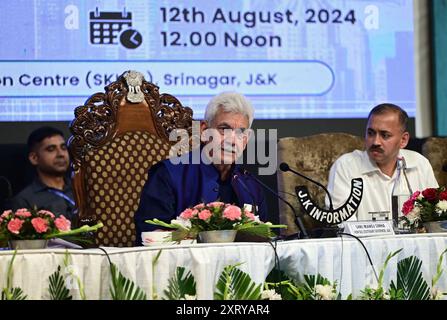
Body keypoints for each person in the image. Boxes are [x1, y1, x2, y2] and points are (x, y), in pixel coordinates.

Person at [134, 92, 268, 245]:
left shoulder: (250, 185)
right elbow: (149, 236)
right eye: (224, 129)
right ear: (204, 131)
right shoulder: (167, 174)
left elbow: (263, 242)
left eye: (240, 133)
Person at [326, 103, 438, 221]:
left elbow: (436, 216)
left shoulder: (419, 164)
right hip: (363, 240)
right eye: (371, 133)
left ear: (403, 140)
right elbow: (340, 221)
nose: (375, 142)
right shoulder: (346, 166)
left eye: (385, 135)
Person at [10, 126, 76, 221]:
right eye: (51, 149)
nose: (61, 154)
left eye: (63, 147)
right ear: (34, 158)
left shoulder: (80, 189)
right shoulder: (24, 200)